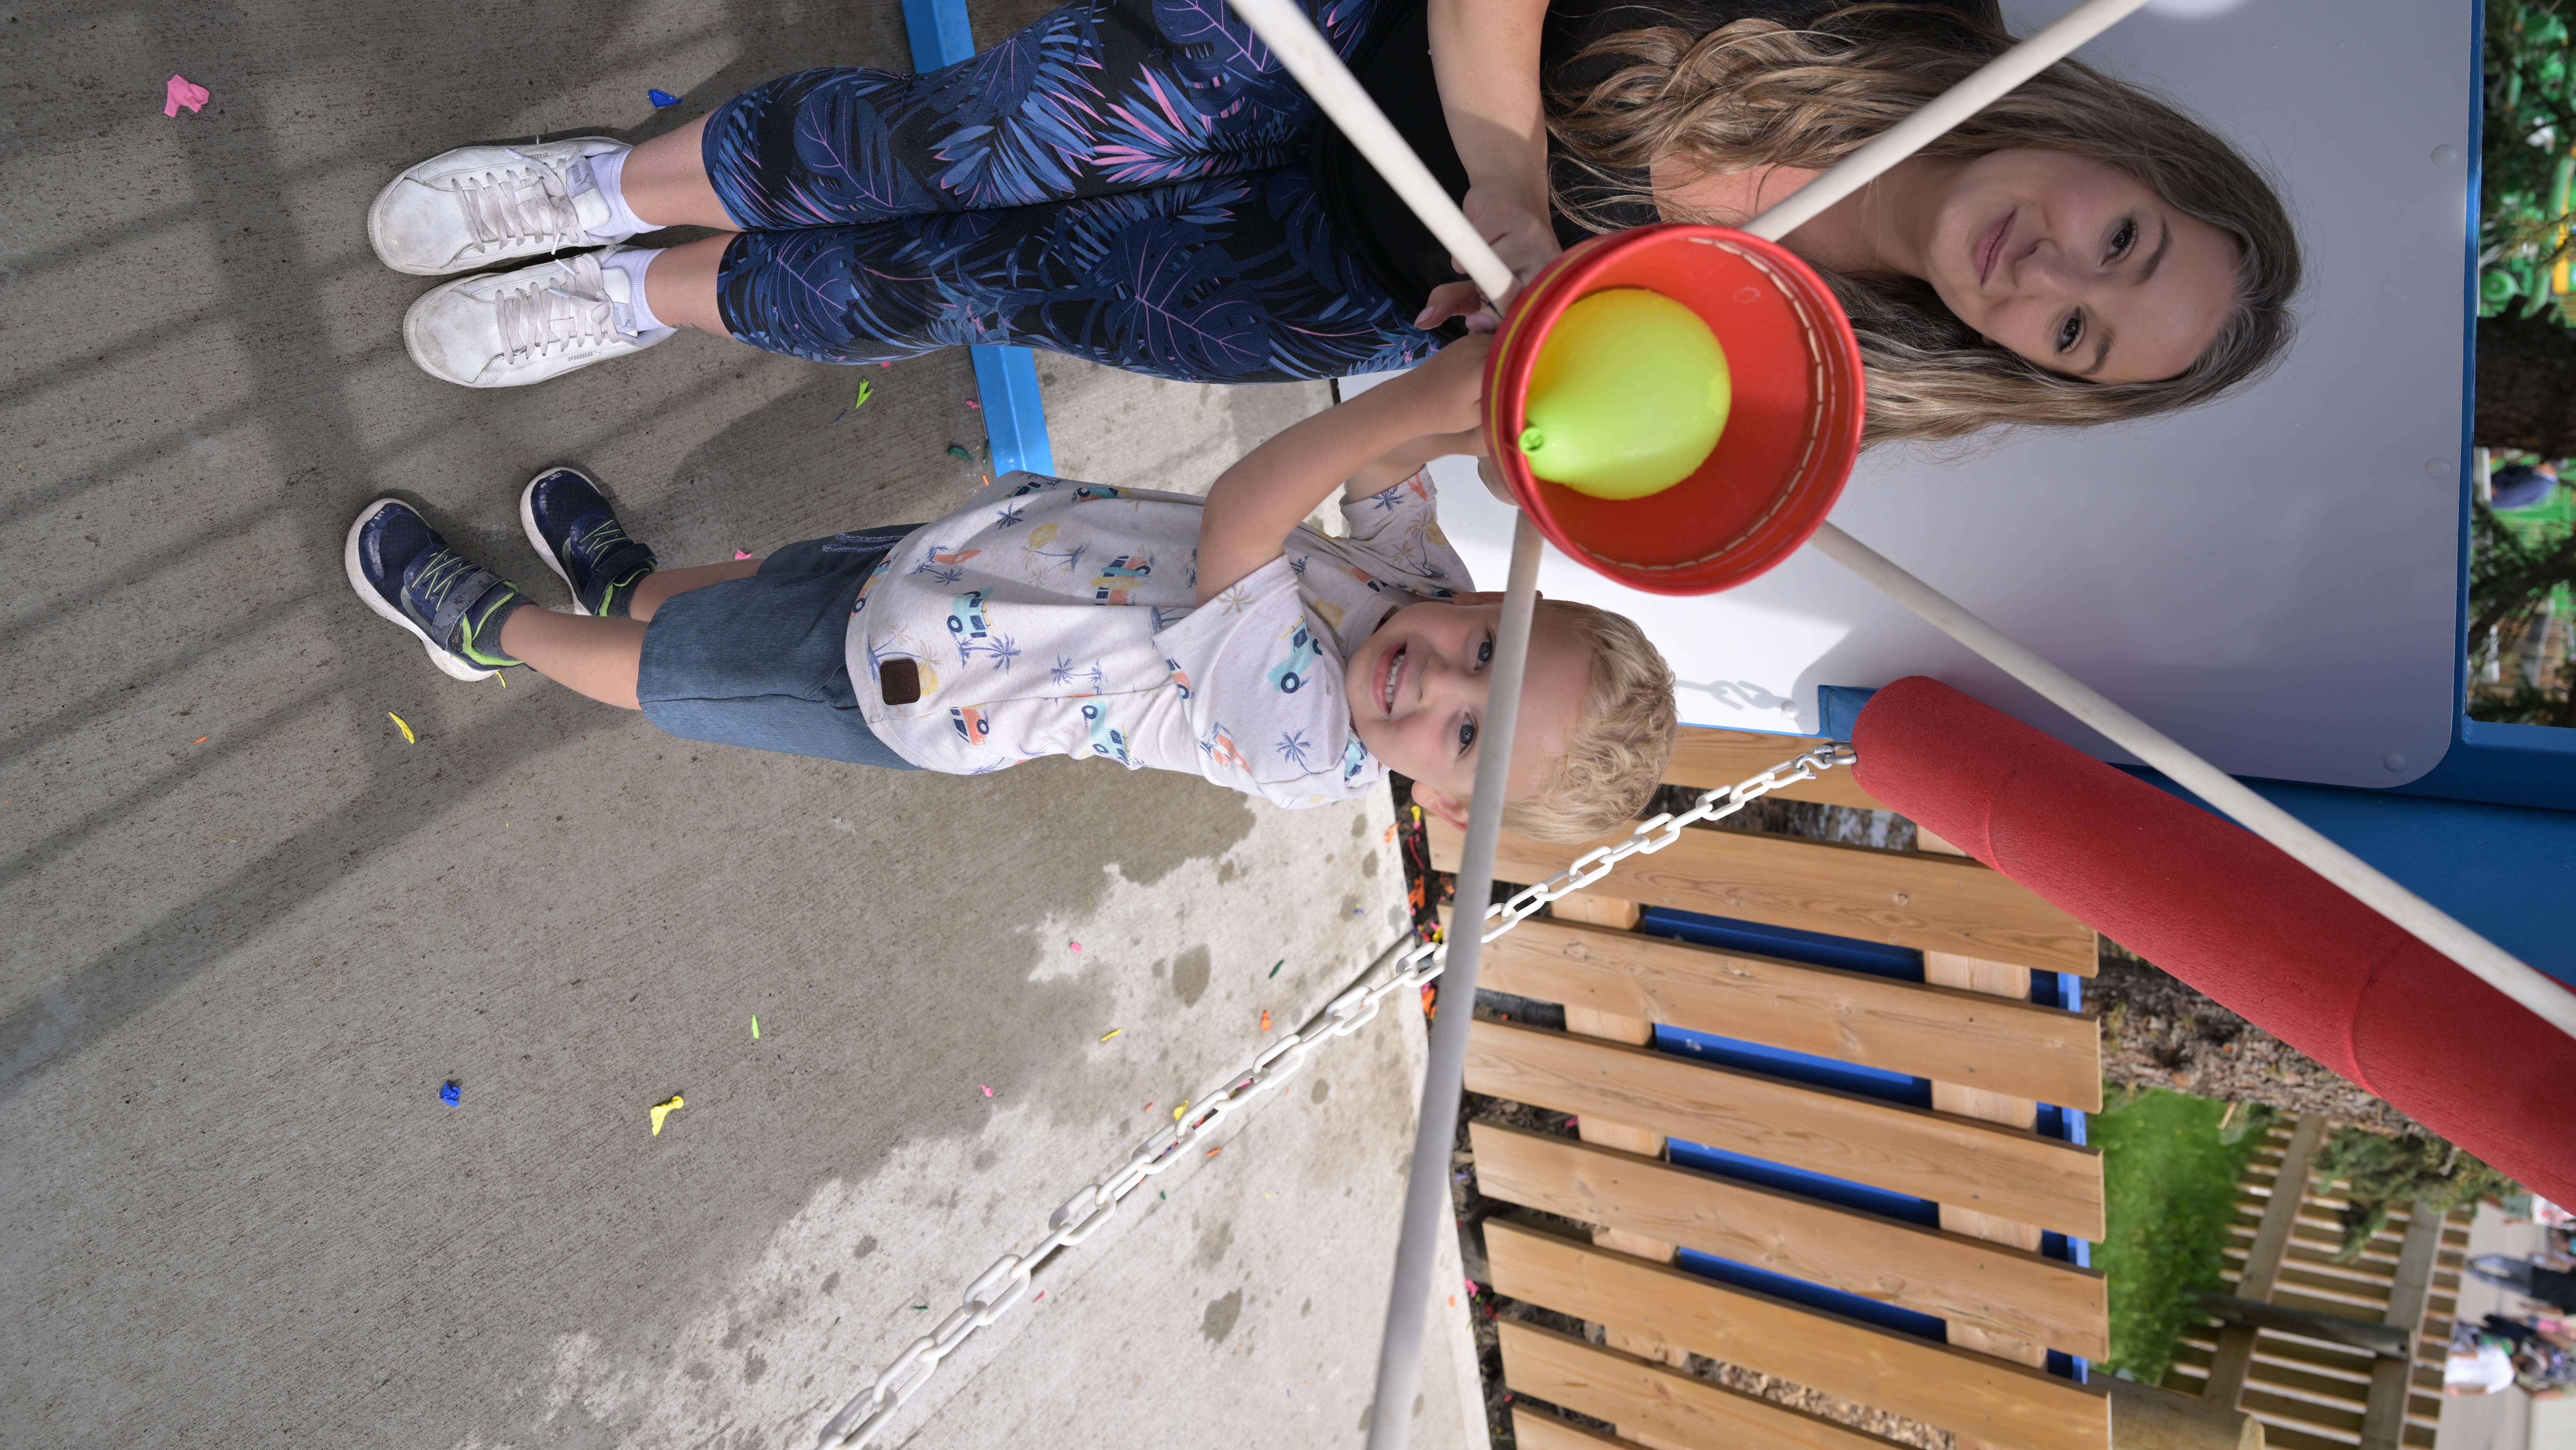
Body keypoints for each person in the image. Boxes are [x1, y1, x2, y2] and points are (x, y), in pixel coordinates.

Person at [370, 0, 2301, 445]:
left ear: (2032, 376)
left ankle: (638, 289)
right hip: (1323, 48)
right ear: (2125, 151)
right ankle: (583, 180)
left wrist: (1392, 439)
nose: (2052, 273)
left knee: (967, 279)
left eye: (2076, 333)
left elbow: (1522, 412)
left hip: (1325, 290)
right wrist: (1512, 183)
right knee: (956, 150)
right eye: (2120, 239)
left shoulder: (1824, 385)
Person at [342, 333, 1677, 840]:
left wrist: (1415, 398)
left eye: (1464, 733)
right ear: (1512, 598)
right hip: (974, 567)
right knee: (761, 584)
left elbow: (1249, 512)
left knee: (676, 675)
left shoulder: (1305, 739)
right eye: (1493, 648)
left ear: (1443, 803)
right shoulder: (1426, 592)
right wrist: (1469, 403)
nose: (1441, 674)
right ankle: (628, 582)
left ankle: (492, 629)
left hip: (920, 682)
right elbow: (1389, 469)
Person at [2465, 1252, 2576, 1316]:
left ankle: (2475, 1261)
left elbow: (2565, 1265)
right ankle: (2468, 1268)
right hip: (2536, 1293)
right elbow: (2556, 1311)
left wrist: (2544, 1257)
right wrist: (2533, 1308)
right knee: (2498, 1281)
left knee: (2503, 1262)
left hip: (2539, 1275)